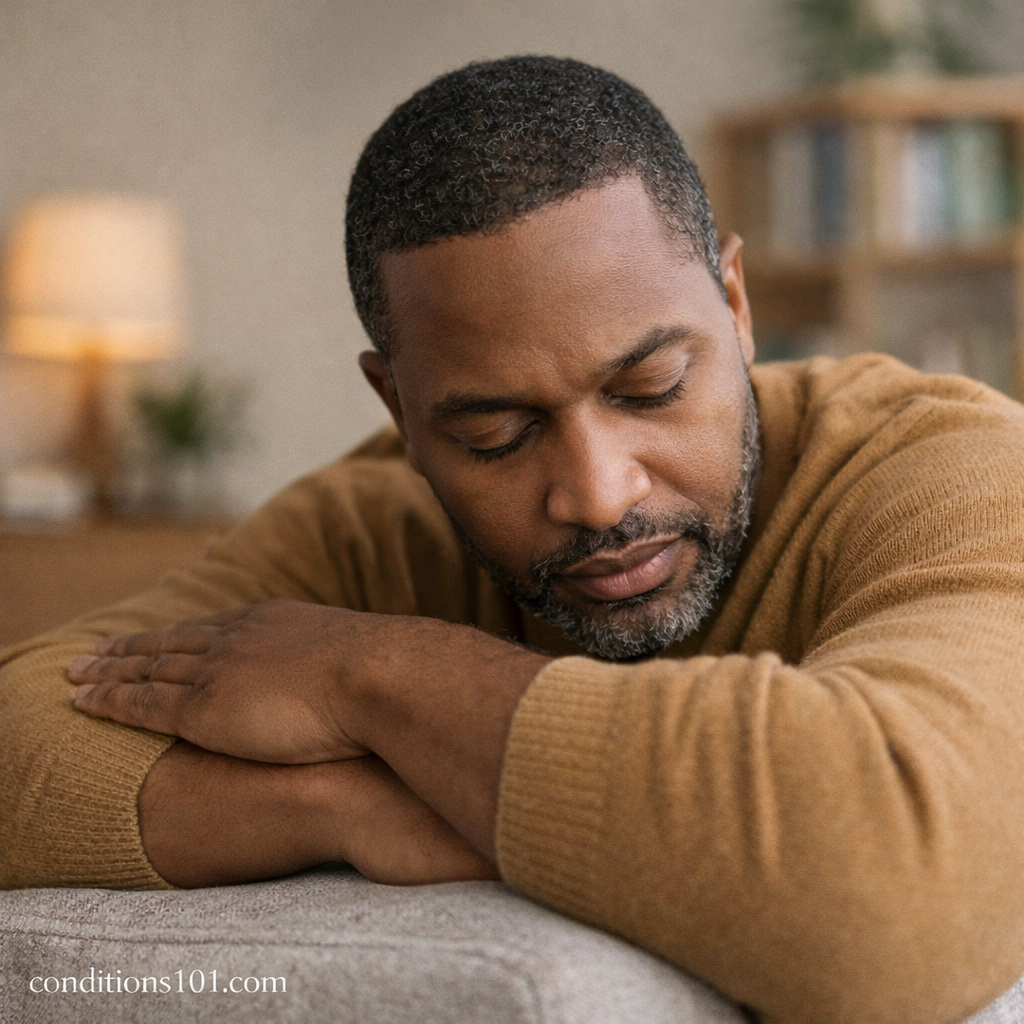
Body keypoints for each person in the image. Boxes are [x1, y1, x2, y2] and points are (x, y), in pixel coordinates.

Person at [3, 54, 1024, 1024]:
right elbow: (24, 728)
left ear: (734, 304)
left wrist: (376, 674)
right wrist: (343, 809)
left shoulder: (950, 471)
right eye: (495, 435)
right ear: (398, 408)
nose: (595, 492)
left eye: (651, 388)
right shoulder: (372, 525)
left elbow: (894, 889)